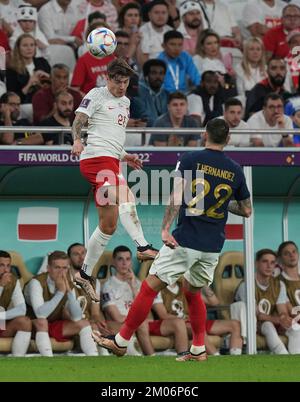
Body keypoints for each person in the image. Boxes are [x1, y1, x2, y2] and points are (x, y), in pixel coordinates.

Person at [94, 118, 252, 361]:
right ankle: (198, 348)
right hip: (212, 246)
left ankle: (121, 340)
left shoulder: (190, 159)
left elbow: (176, 197)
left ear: (204, 135)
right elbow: (247, 210)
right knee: (193, 291)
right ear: (228, 139)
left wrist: (165, 228)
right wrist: (220, 203)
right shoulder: (235, 170)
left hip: (186, 240)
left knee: (149, 286)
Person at [71, 58, 158, 302]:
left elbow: (109, 133)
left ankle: (84, 274)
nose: (121, 87)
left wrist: (124, 155)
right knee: (127, 196)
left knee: (108, 225)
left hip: (111, 159)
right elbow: (79, 121)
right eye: (117, 82)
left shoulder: (126, 101)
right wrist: (77, 140)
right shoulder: (96, 94)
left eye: (125, 82)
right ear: (107, 78)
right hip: (95, 159)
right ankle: (142, 247)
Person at [98, 245, 189, 357]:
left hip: (143, 323)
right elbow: (116, 317)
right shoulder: (108, 286)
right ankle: (152, 358)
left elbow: (148, 312)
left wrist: (132, 286)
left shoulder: (138, 283)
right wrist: (140, 319)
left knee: (178, 322)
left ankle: (183, 357)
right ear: (114, 262)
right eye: (120, 259)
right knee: (140, 323)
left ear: (131, 261)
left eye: (127, 259)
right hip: (122, 324)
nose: (124, 263)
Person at [24, 250, 98, 357]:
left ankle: (94, 358)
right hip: (31, 327)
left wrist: (68, 292)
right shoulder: (36, 282)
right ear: (48, 268)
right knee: (42, 322)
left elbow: (77, 317)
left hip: (53, 325)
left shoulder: (68, 283)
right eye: (57, 267)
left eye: (64, 268)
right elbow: (41, 314)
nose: (61, 272)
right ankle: (49, 359)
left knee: (84, 323)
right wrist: (60, 292)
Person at [236, 248, 300, 354]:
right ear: (256, 264)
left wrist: (284, 318)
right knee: (268, 325)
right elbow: (257, 315)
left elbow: (282, 310)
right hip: (251, 326)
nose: (269, 266)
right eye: (265, 261)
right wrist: (278, 320)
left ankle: (296, 359)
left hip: (272, 321)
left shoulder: (279, 285)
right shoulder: (246, 285)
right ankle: (283, 356)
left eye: (272, 262)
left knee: (295, 327)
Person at [0, 250, 32, 356]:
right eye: (1, 265)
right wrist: (1, 286)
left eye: (8, 266)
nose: (5, 270)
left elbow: (21, 309)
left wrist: (1, 316)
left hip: (1, 322)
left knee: (25, 321)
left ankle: (18, 360)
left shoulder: (13, 280)